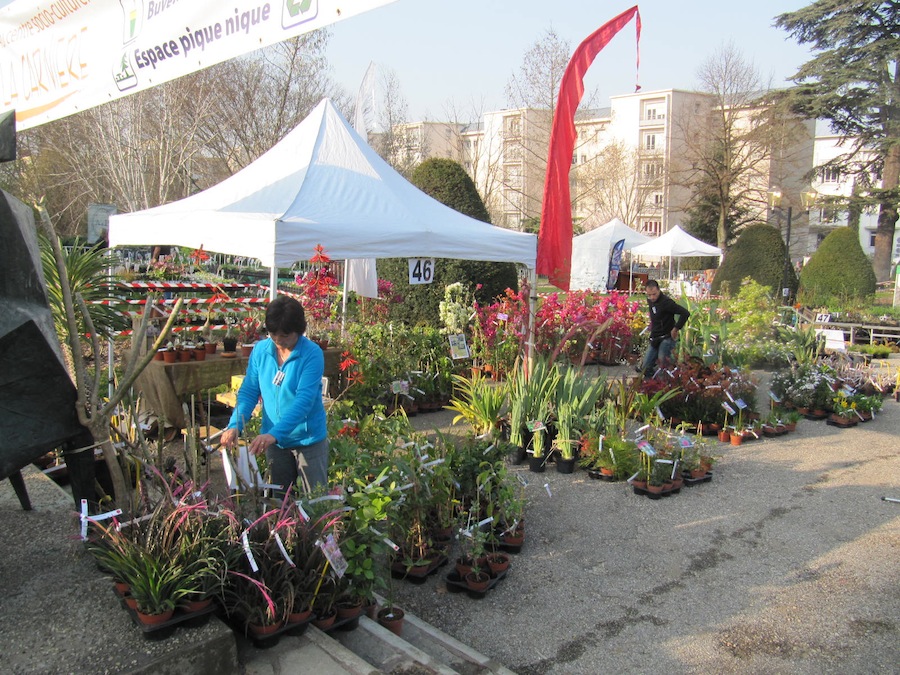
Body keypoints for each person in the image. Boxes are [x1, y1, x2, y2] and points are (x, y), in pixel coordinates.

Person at [220, 295, 328, 496]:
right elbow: (249, 391)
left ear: (299, 330)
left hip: (307, 439)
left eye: (285, 336)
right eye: (273, 335)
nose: (279, 341)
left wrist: (275, 433)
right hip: (275, 443)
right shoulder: (261, 351)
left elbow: (304, 402)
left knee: (315, 502)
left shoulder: (312, 354)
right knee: (279, 501)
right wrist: (236, 425)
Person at [640, 279, 690, 378]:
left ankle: (665, 386)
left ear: (659, 290)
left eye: (654, 294)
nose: (652, 297)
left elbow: (685, 313)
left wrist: (676, 328)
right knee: (645, 366)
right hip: (655, 337)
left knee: (662, 366)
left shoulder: (667, 302)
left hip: (667, 337)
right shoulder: (650, 301)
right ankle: (650, 386)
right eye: (649, 295)